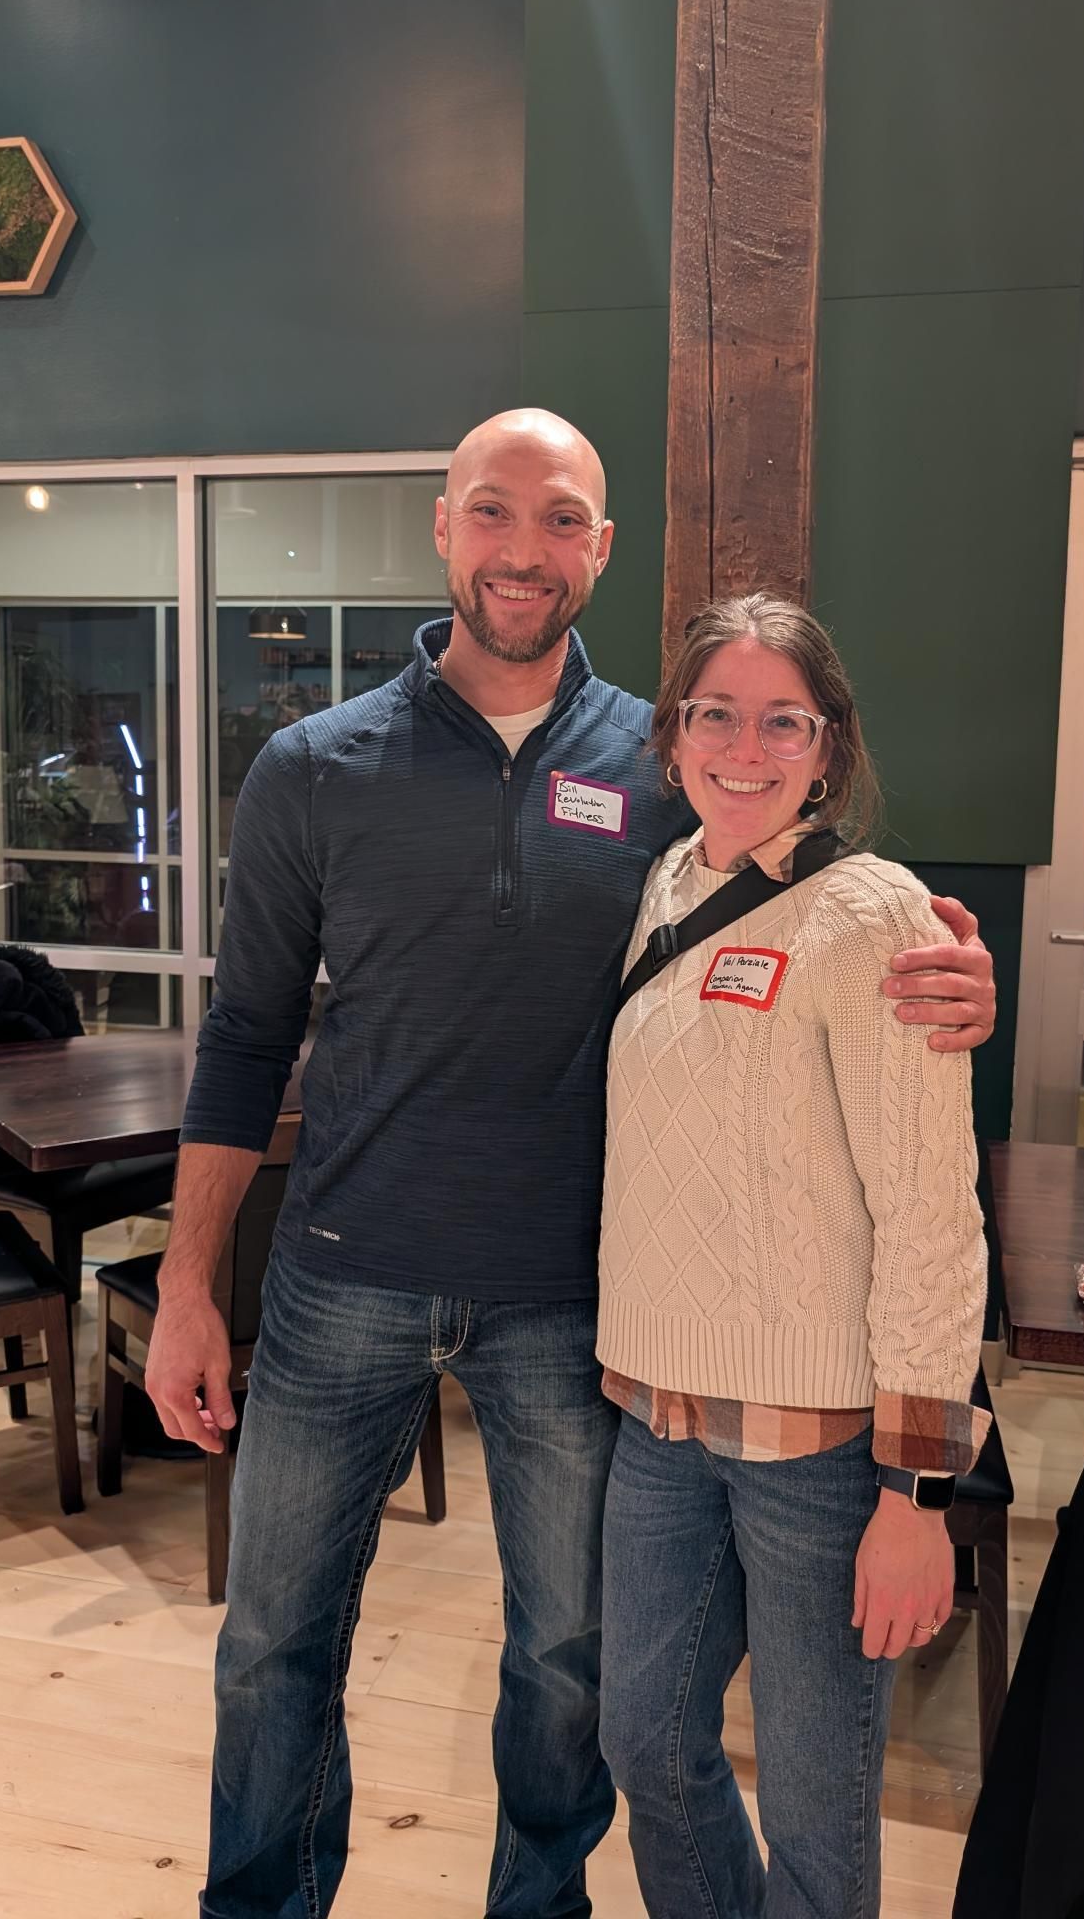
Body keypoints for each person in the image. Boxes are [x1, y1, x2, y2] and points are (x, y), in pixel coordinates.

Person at [144, 410, 998, 1919]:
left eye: (558, 520)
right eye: (493, 512)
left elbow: (812, 895)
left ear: (600, 548)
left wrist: (947, 967)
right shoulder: (311, 768)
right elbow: (247, 1034)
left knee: (570, 1668)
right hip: (340, 1278)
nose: (522, 550)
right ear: (443, 526)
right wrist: (187, 1284)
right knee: (272, 1640)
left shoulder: (669, 767)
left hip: (574, 1307)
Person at [597, 593, 990, 1919]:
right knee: (646, 1742)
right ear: (674, 737)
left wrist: (916, 1493)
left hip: (821, 1458)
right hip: (656, 1420)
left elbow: (934, 1212)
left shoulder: (876, 920)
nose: (746, 746)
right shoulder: (668, 881)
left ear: (829, 748)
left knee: (820, 1818)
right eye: (718, 713)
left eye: (784, 721)